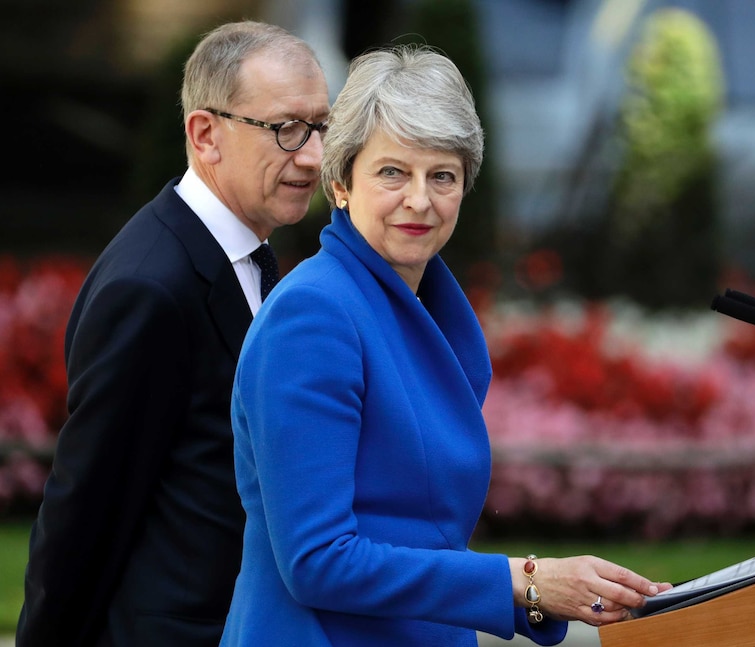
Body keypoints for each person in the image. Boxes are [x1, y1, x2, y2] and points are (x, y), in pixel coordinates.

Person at [219, 43, 671, 647]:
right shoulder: (314, 315)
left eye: (443, 176)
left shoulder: (415, 303)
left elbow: (421, 533)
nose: (420, 200)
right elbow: (318, 561)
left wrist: (550, 593)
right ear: (340, 182)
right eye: (392, 172)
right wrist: (525, 581)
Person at [16, 20, 329, 647]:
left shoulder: (247, 255)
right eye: (286, 129)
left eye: (321, 127)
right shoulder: (150, 287)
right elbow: (85, 510)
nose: (314, 155)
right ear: (206, 135)